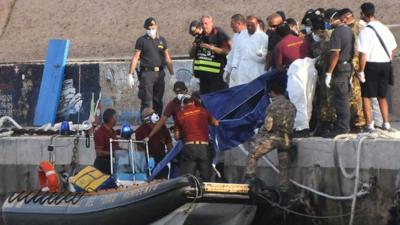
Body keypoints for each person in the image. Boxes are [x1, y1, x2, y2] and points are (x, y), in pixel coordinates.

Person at [244, 77, 296, 195]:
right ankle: (284, 190)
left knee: (253, 155)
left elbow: (268, 126)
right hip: (287, 140)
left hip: (273, 139)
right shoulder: (292, 106)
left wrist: (260, 134)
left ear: (272, 92)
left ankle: (250, 180)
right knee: (284, 166)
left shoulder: (272, 106)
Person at [358, 2, 397, 132]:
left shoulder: (365, 31)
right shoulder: (384, 28)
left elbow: (363, 54)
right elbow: (393, 51)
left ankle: (369, 125)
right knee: (382, 95)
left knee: (367, 96)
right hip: (385, 64)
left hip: (371, 65)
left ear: (363, 14)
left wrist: (361, 71)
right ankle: (386, 123)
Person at [128, 17, 175, 116]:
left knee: (158, 101)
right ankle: (146, 126)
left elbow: (167, 58)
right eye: (148, 28)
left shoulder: (162, 40)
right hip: (147, 74)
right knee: (147, 101)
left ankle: (157, 124)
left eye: (152, 28)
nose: (151, 30)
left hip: (160, 74)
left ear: (156, 27)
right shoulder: (141, 40)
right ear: (145, 29)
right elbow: (135, 57)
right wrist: (130, 74)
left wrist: (172, 74)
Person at [175, 96, 219, 181]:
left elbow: (177, 137)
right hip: (204, 148)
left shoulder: (179, 115)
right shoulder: (203, 111)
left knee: (187, 178)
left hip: (189, 148)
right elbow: (216, 123)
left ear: (183, 105)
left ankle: (190, 192)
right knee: (206, 177)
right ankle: (204, 192)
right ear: (193, 102)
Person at [325, 10, 355, 136]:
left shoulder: (337, 32)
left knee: (340, 100)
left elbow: (335, 53)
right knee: (344, 98)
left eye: (328, 20)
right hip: (348, 66)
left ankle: (343, 128)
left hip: (340, 69)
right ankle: (343, 125)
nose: (328, 23)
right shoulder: (349, 30)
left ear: (333, 19)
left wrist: (329, 73)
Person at [339, 8, 366, 132]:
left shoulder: (359, 27)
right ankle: (353, 120)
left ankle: (359, 122)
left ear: (348, 16)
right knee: (350, 95)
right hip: (349, 65)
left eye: (342, 18)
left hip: (358, 65)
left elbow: (362, 49)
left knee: (357, 95)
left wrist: (361, 68)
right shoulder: (344, 29)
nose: (341, 20)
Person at [190, 15, 231, 94]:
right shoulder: (199, 36)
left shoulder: (220, 34)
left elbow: (227, 52)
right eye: (202, 24)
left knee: (216, 100)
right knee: (205, 101)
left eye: (206, 23)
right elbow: (191, 55)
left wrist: (211, 48)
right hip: (203, 77)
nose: (204, 26)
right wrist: (194, 46)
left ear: (212, 23)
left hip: (217, 76)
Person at [229, 15, 268, 87]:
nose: (250, 27)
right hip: (243, 70)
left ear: (256, 24)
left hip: (257, 70)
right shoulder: (241, 36)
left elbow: (266, 55)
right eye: (248, 25)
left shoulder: (263, 37)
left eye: (252, 25)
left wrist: (261, 55)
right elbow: (236, 53)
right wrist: (234, 67)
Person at [135, 107, 173, 179]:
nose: (155, 115)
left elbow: (169, 143)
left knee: (165, 172)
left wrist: (170, 158)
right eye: (152, 114)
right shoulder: (140, 131)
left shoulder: (162, 128)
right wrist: (149, 159)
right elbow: (140, 149)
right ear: (146, 118)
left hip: (162, 160)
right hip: (149, 161)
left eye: (154, 113)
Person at [94, 108, 119, 174]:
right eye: (115, 117)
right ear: (110, 119)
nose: (117, 119)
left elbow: (116, 147)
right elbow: (99, 152)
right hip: (103, 166)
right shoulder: (100, 133)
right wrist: (113, 153)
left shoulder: (112, 131)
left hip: (113, 164)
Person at [223, 14, 247, 85]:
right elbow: (232, 54)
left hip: (244, 73)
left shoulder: (249, 36)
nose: (230, 26)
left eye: (232, 24)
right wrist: (227, 70)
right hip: (235, 72)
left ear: (238, 23)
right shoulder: (236, 36)